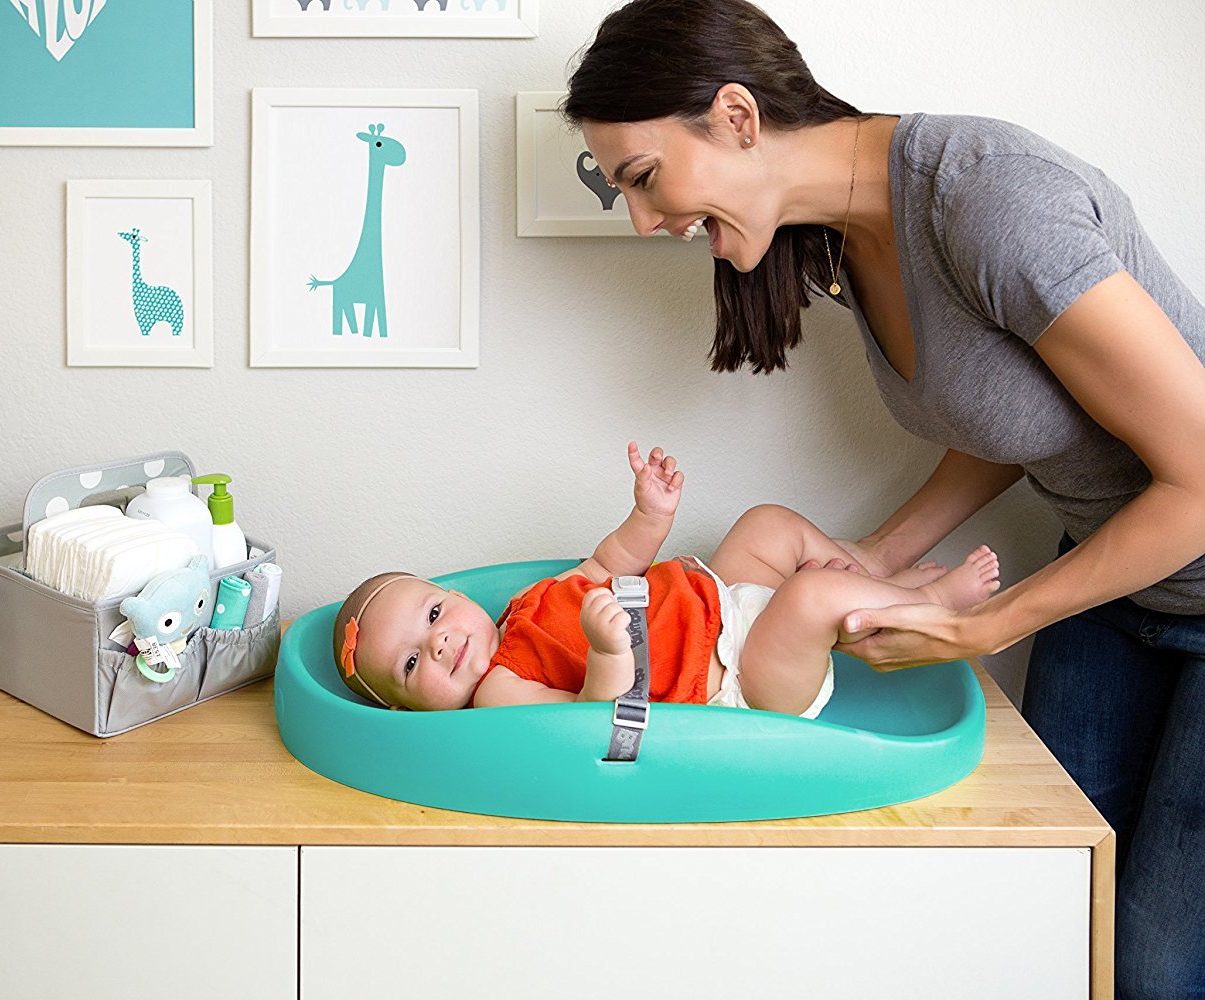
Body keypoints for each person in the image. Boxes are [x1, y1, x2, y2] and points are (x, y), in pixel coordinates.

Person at [560, 2, 1205, 996]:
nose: (646, 221)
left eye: (644, 179)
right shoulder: (848, 240)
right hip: (1114, 580)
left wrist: (989, 624)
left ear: (736, 116)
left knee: (1157, 964)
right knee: (1058, 922)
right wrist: (881, 553)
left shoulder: (987, 199)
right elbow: (1017, 410)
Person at [332, 442, 998, 715]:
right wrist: (607, 651)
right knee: (810, 596)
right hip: (733, 683)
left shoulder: (521, 607)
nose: (442, 643)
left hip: (718, 603)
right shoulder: (497, 694)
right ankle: (925, 603)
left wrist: (648, 515)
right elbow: (594, 720)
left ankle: (876, 579)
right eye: (414, 664)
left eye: (431, 617)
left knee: (767, 524)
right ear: (413, 709)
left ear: (452, 594)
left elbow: (609, 563)